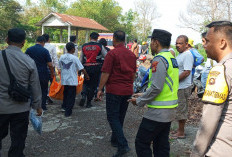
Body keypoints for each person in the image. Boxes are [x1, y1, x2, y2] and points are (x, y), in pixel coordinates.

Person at [129, 29, 179, 157]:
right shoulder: (171, 58)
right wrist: (143, 94)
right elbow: (164, 85)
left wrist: (140, 101)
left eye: (151, 41)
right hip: (169, 110)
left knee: (141, 142)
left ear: (156, 42)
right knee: (161, 144)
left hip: (158, 112)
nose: (150, 44)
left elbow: (156, 87)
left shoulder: (159, 59)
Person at [191, 21, 232, 157]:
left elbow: (209, 121)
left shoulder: (220, 71)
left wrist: (196, 153)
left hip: (220, 150)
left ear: (222, 43)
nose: (204, 45)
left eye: (207, 41)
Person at [0, 28, 42, 157]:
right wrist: (37, 106)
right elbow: (35, 86)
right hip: (21, 107)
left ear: (7, 40)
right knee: (18, 140)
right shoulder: (28, 61)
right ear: (23, 42)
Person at [97, 30, 136, 157]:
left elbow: (106, 73)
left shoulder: (112, 54)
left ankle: (123, 145)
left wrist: (100, 89)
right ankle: (115, 139)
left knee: (112, 117)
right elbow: (133, 74)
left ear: (114, 39)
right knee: (120, 116)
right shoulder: (131, 55)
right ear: (124, 39)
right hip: (127, 90)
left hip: (114, 90)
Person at [172, 35, 194, 139]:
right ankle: (179, 130)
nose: (178, 45)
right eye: (176, 43)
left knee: (181, 109)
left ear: (186, 44)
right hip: (178, 87)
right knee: (179, 109)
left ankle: (181, 133)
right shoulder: (180, 55)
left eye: (180, 43)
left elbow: (186, 72)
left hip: (183, 87)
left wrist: (174, 81)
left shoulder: (187, 55)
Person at [59, 42, 89, 117]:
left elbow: (60, 68)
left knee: (65, 94)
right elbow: (82, 68)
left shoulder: (62, 57)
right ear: (73, 49)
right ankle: (68, 112)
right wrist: (87, 76)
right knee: (71, 96)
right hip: (72, 80)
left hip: (64, 79)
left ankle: (64, 106)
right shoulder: (74, 58)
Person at [26, 36, 55, 111]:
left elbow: (25, 60)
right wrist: (52, 73)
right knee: (44, 90)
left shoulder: (29, 49)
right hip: (43, 73)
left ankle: (33, 106)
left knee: (32, 89)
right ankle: (43, 106)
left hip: (32, 72)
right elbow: (50, 64)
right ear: (43, 42)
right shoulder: (45, 51)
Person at [79, 32, 107, 108]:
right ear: (97, 38)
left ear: (90, 37)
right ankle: (88, 102)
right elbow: (106, 56)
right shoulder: (100, 46)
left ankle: (84, 94)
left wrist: (80, 69)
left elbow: (81, 58)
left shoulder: (84, 46)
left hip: (86, 67)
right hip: (96, 68)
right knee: (93, 85)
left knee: (86, 82)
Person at [42, 34, 60, 104]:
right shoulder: (52, 47)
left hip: (43, 66)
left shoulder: (41, 46)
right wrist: (58, 68)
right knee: (52, 82)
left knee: (44, 83)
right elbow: (55, 58)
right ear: (48, 39)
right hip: (51, 67)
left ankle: (45, 97)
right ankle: (49, 95)